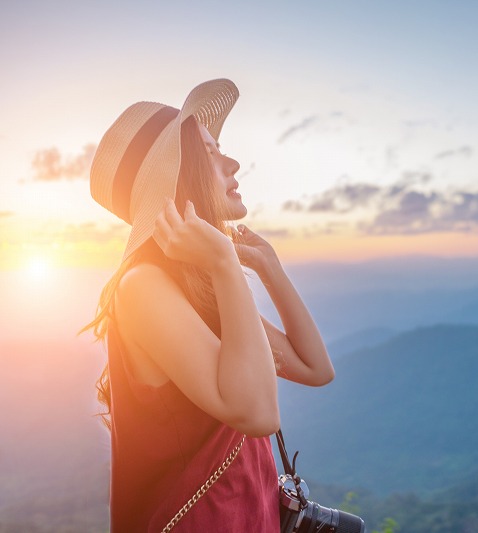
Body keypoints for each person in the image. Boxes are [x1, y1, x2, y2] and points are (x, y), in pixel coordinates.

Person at [83, 79, 335, 532]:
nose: (233, 162)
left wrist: (269, 267)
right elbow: (260, 415)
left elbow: (316, 369)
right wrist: (222, 257)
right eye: (212, 153)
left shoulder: (200, 291)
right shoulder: (143, 287)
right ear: (178, 177)